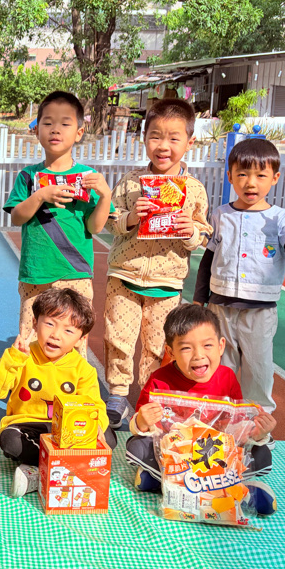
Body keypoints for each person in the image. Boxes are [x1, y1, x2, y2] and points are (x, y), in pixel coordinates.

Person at [102, 98, 211, 430]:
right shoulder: (131, 182)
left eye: (174, 138)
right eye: (155, 136)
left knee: (156, 346)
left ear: (189, 142)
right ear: (144, 138)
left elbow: (204, 233)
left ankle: (150, 399)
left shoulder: (194, 190)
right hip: (124, 275)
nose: (163, 146)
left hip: (167, 282)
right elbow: (109, 220)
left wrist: (191, 232)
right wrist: (130, 217)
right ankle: (117, 395)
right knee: (118, 338)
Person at [194, 138, 285, 412]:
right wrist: (199, 299)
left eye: (260, 176)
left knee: (258, 370)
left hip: (260, 312)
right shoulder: (221, 215)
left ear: (275, 178)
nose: (251, 183)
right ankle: (218, 418)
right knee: (219, 367)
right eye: (242, 174)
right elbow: (209, 259)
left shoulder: (282, 219)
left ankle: (257, 423)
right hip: (220, 307)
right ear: (230, 176)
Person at [125, 304, 278, 514]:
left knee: (262, 455)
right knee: (137, 447)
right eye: (186, 348)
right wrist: (141, 421)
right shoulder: (159, 380)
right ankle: (232, 492)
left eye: (207, 345)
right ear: (170, 352)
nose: (198, 355)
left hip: (216, 458)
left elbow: (237, 426)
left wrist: (258, 433)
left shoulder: (227, 378)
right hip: (176, 457)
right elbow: (140, 427)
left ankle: (161, 482)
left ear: (221, 346)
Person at [4, 91, 112, 354]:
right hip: (35, 273)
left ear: (79, 132)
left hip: (76, 274)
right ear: (36, 130)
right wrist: (40, 196)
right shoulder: (28, 176)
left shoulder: (88, 177)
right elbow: (16, 217)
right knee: (31, 341)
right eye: (48, 122)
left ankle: (71, 383)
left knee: (73, 345)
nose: (55, 129)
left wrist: (105, 195)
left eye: (65, 123)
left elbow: (95, 227)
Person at [0, 288, 114, 498]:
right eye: (50, 324)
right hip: (27, 425)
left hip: (67, 430)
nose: (56, 335)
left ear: (81, 339)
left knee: (108, 438)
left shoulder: (83, 370)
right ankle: (68, 466)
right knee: (11, 441)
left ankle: (40, 470)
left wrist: (96, 426)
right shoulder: (21, 355)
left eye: (68, 331)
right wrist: (12, 359)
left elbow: (94, 405)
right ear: (35, 323)